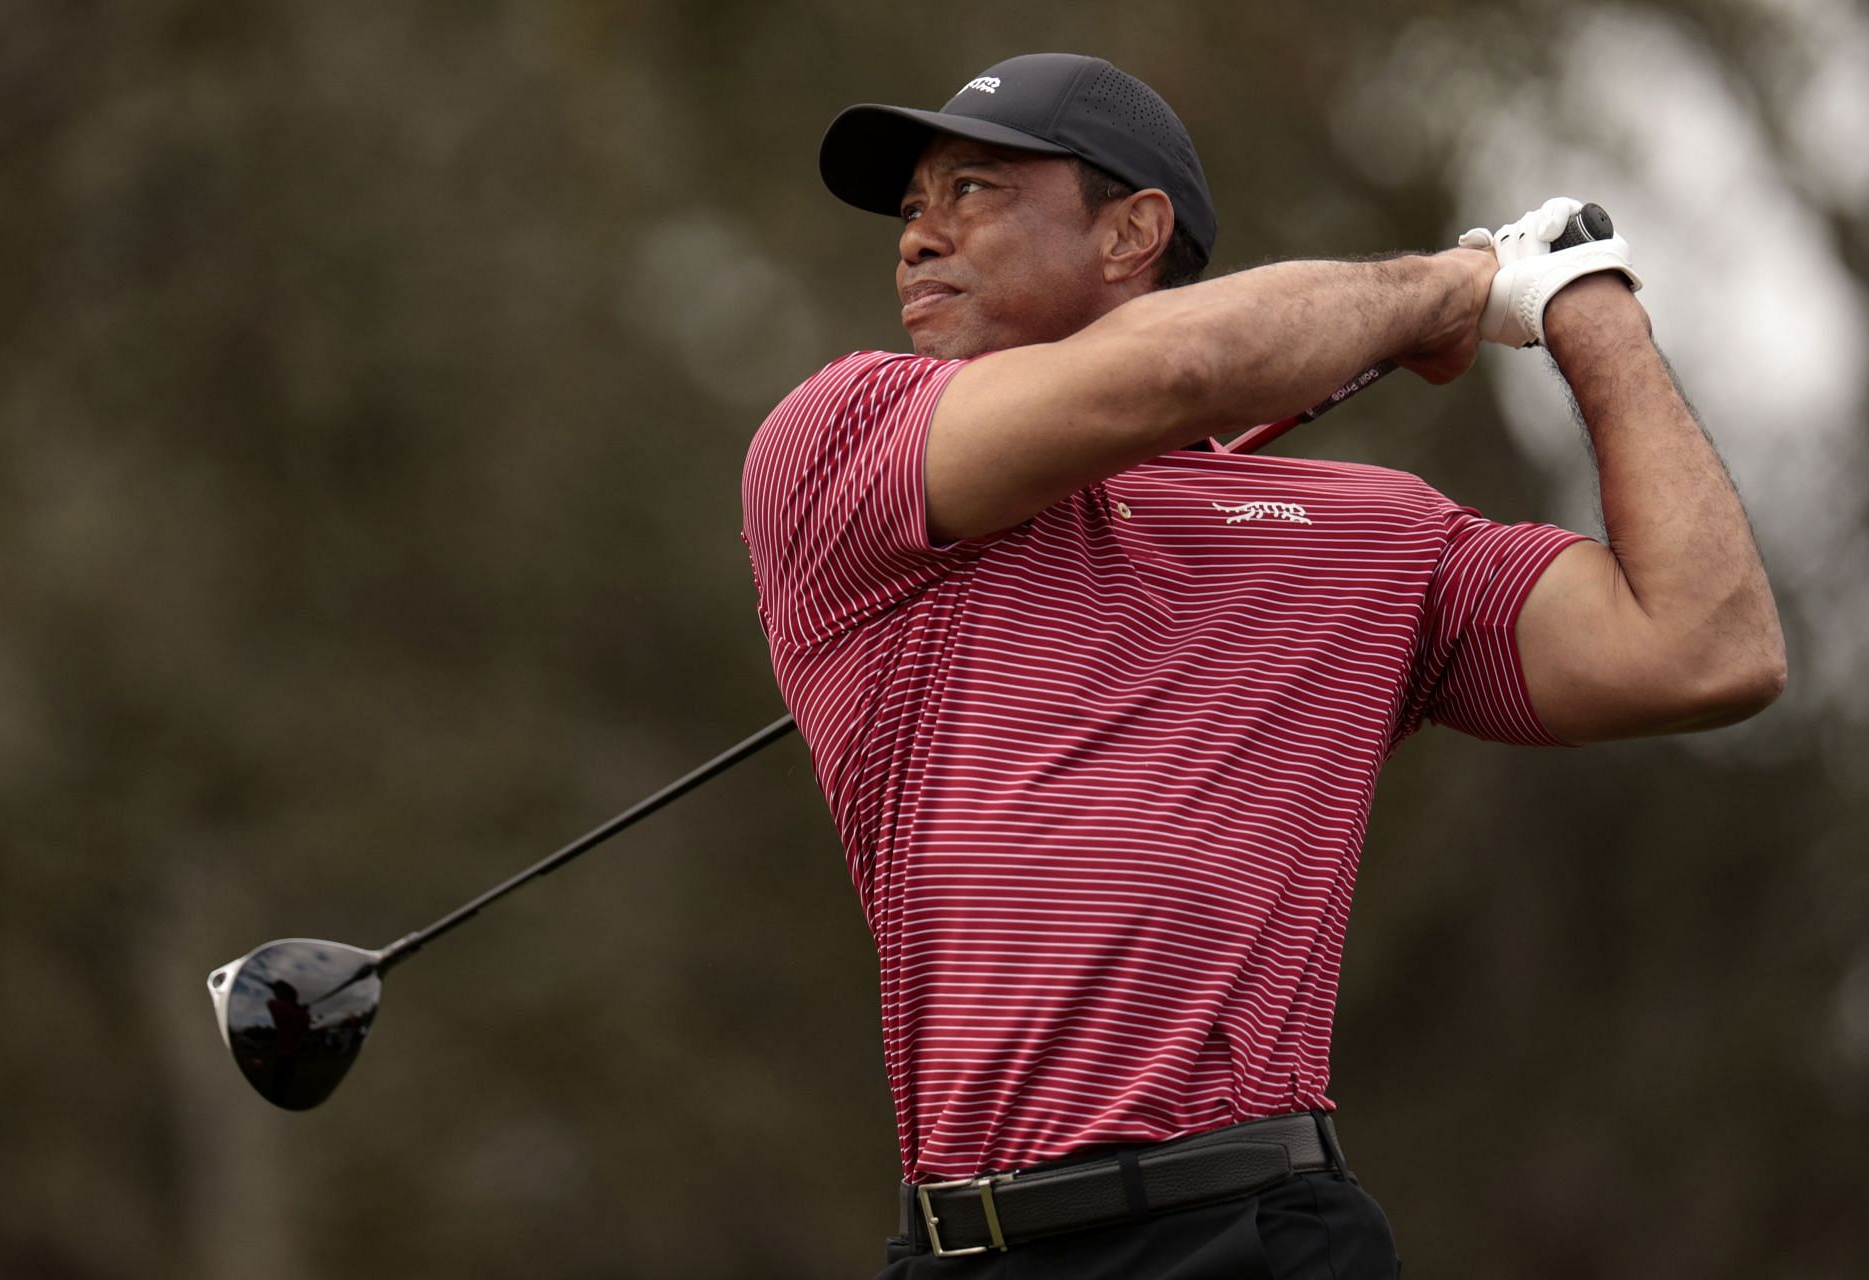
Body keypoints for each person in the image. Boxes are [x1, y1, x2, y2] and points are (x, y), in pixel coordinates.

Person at [739, 53, 1784, 1277]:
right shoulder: (843, 445)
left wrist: (1590, 309)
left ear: (1132, 230)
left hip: (1256, 1227)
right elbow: (1183, 368)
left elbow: (1709, 646)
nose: (919, 238)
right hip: (968, 1243)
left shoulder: (1376, 537)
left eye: (971, 189)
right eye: (915, 207)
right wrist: (1449, 285)